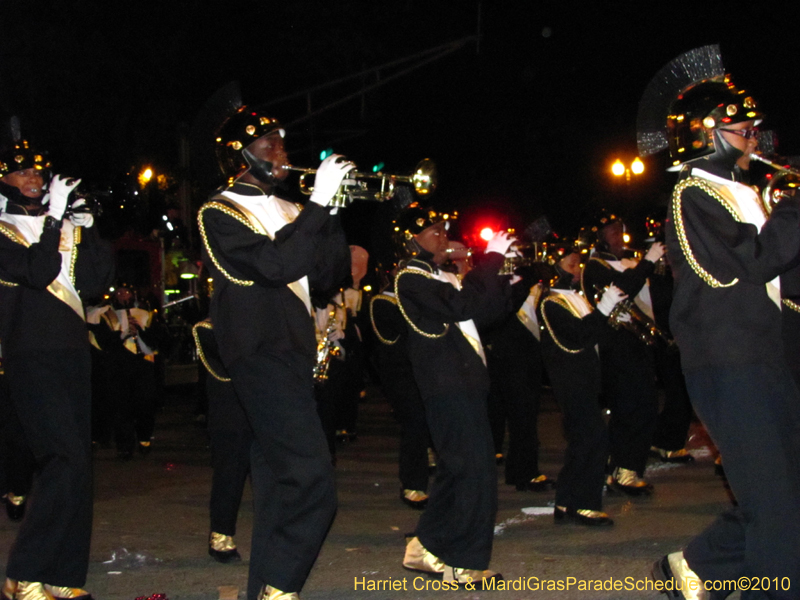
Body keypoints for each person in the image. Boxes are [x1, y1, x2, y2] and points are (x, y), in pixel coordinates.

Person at [638, 46, 800, 598]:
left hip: (768, 357)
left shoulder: (752, 192)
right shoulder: (694, 192)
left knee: (781, 495)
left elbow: (783, 279)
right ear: (704, 133)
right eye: (742, 126)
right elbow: (749, 264)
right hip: (731, 363)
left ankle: (699, 566)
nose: (755, 135)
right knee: (776, 510)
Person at [198, 108, 352, 600]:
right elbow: (273, 265)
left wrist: (330, 214)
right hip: (260, 352)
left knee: (278, 484)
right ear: (240, 157)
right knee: (313, 482)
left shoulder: (290, 210)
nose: (282, 152)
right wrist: (317, 205)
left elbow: (328, 277)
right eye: (270, 145)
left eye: (282, 143)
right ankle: (281, 587)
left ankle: (263, 588)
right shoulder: (218, 211)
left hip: (293, 352)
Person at [0, 139, 114, 600]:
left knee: (78, 465)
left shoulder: (61, 224)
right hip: (29, 350)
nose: (34, 179)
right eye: (23, 172)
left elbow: (93, 283)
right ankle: (23, 573)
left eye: (39, 172)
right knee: (59, 459)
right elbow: (37, 270)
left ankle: (64, 575)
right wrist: (55, 220)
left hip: (71, 349)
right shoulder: (4, 227)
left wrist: (88, 228)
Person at [394, 205, 512, 587]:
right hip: (446, 386)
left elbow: (489, 312)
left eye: (444, 230)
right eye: (434, 232)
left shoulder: (445, 276)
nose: (444, 237)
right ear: (411, 240)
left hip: (464, 384)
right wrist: (489, 259)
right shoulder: (410, 278)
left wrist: (506, 273)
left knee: (458, 469)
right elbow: (461, 306)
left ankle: (425, 547)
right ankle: (463, 562)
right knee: (475, 471)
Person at [580, 212, 665, 495]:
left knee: (646, 406)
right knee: (628, 407)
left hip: (638, 343)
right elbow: (623, 290)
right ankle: (622, 468)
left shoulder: (628, 260)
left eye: (620, 230)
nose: (619, 237)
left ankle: (628, 466)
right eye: (612, 232)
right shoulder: (595, 266)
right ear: (600, 239)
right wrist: (648, 263)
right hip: (616, 346)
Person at [539, 247, 622, 526]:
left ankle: (566, 500)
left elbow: (593, 335)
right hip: (571, 381)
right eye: (572, 265)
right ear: (555, 267)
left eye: (578, 265)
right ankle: (583, 504)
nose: (578, 271)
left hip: (584, 378)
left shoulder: (572, 297)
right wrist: (604, 308)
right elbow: (577, 337)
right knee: (593, 439)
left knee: (582, 441)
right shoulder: (550, 302)